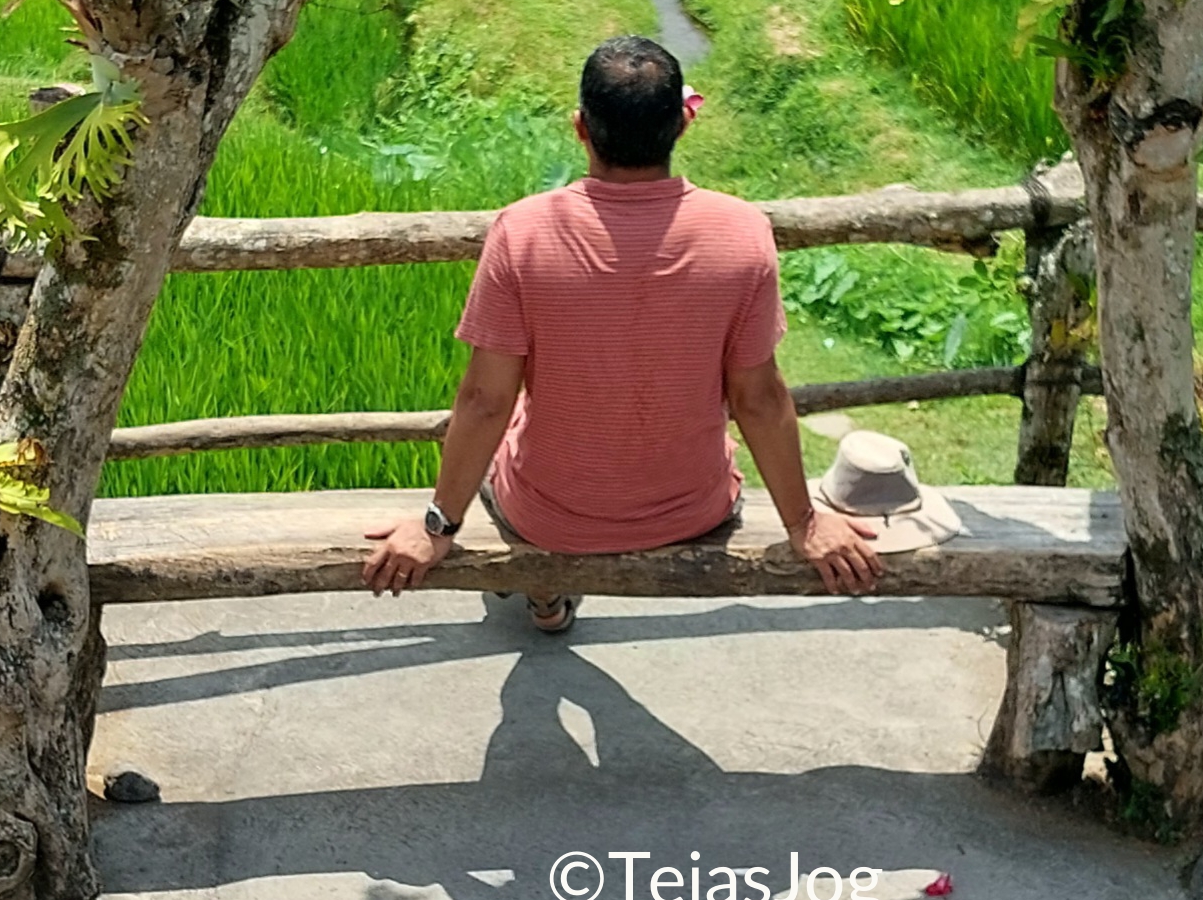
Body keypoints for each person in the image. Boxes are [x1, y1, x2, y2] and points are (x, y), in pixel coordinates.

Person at [362, 35, 880, 631]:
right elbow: (758, 398)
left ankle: (545, 590)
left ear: (580, 128)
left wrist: (436, 527)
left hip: (548, 515)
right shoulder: (743, 232)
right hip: (694, 510)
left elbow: (485, 401)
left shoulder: (522, 231)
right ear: (683, 125)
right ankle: (548, 586)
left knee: (514, 457)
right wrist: (804, 523)